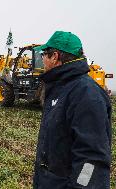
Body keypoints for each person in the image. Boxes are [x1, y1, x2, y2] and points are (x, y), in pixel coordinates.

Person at [33, 31, 112, 189]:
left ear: (54, 56)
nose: (42, 59)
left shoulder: (86, 94)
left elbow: (92, 161)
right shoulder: (60, 88)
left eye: (44, 54)